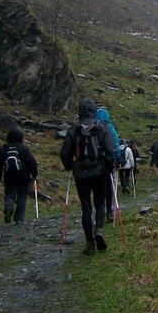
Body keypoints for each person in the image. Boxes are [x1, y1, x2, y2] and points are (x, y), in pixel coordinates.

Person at [60, 97, 116, 255]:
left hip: (80, 174)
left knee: (86, 208)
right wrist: (108, 166)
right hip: (99, 172)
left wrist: (70, 166)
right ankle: (99, 230)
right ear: (94, 110)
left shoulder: (74, 130)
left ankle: (89, 243)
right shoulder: (102, 127)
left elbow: (64, 153)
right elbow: (111, 150)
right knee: (99, 203)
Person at [0, 127, 38, 225]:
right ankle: (19, 218)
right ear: (21, 137)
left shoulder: (4, 148)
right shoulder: (23, 148)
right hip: (23, 176)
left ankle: (9, 207)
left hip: (9, 175)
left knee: (9, 193)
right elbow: (31, 162)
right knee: (22, 196)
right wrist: (34, 174)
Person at [96, 106, 121, 223]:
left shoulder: (92, 127)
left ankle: (98, 210)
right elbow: (115, 145)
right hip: (106, 163)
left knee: (97, 188)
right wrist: (118, 160)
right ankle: (109, 212)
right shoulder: (109, 128)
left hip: (94, 164)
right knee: (108, 186)